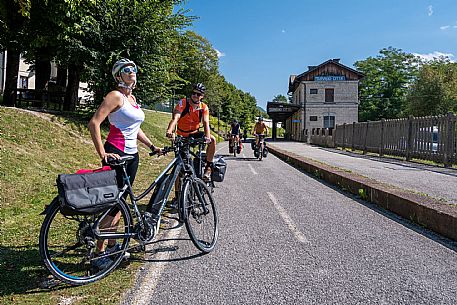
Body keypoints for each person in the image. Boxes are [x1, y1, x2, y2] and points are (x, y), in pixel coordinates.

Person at [88, 58, 162, 269]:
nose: (133, 72)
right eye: (127, 70)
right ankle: (98, 253)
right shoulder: (115, 96)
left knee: (122, 201)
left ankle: (113, 246)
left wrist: (151, 146)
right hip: (116, 153)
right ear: (119, 75)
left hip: (132, 156)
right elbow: (94, 123)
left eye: (135, 69)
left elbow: (134, 128)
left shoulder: (132, 99)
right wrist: (103, 153)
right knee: (112, 203)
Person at [166, 83, 216, 181]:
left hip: (194, 134)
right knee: (179, 167)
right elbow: (176, 118)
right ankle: (177, 195)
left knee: (213, 140)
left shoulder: (204, 107)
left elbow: (205, 122)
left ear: (202, 96)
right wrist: (169, 130)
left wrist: (207, 137)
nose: (195, 96)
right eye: (193, 93)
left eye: (198, 94)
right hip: (181, 136)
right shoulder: (183, 103)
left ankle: (208, 167)